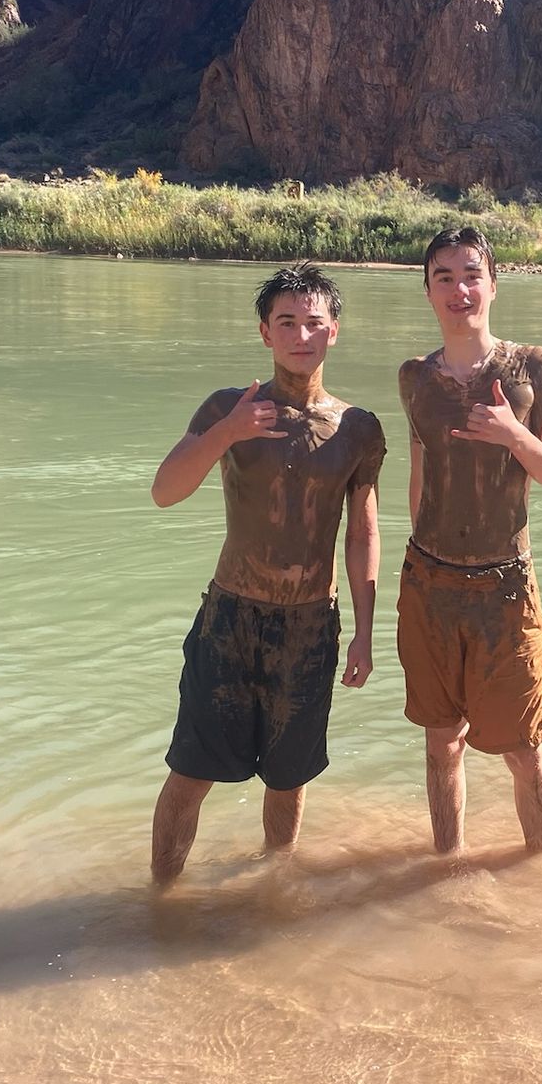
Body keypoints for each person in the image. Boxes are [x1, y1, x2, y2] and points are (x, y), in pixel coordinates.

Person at [147, 264, 385, 884]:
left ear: (334, 331)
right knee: (191, 772)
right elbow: (165, 491)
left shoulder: (358, 428)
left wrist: (364, 633)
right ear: (264, 332)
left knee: (289, 778)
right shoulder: (229, 407)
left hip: (310, 626)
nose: (301, 335)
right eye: (286, 322)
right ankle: (160, 899)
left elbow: (362, 534)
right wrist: (228, 432)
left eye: (313, 322)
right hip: (230, 618)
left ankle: (271, 889)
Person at [397, 226, 542, 855]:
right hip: (430, 585)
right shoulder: (415, 378)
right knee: (441, 743)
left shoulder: (533, 367)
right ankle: (444, 867)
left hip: (504, 587)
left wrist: (512, 434)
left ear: (493, 285)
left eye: (471, 275)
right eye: (443, 278)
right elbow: (419, 479)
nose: (459, 290)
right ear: (428, 292)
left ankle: (541, 868)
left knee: (525, 750)